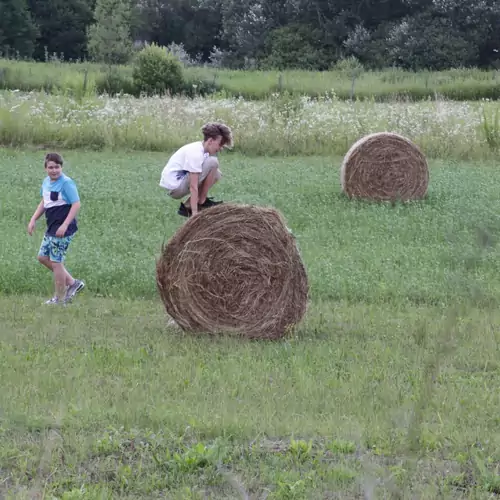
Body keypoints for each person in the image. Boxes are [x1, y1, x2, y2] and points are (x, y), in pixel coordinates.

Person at [28, 153, 85, 305]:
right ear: (45, 168)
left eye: (57, 167)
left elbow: (76, 204)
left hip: (63, 229)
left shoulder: (66, 183)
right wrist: (33, 219)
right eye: (51, 167)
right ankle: (73, 283)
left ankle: (60, 299)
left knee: (56, 262)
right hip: (52, 228)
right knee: (43, 257)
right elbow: (44, 202)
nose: (54, 170)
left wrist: (65, 224)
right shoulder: (46, 182)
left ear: (61, 167)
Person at [159, 122, 233, 217]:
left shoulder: (203, 150)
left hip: (180, 182)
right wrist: (194, 214)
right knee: (213, 162)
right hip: (176, 187)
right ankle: (201, 201)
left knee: (217, 174)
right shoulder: (195, 153)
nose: (221, 148)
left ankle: (193, 202)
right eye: (220, 144)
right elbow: (193, 186)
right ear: (210, 141)